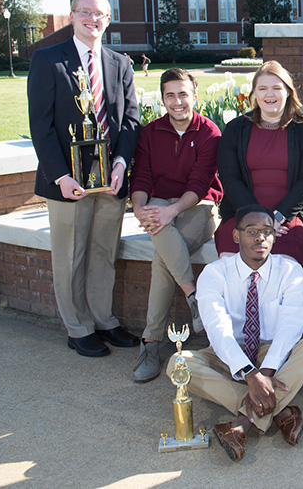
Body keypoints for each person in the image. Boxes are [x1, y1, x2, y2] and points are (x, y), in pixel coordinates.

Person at [27, 0, 140, 357]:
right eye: (86, 12)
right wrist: (60, 175)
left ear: (108, 20)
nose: (93, 19)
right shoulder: (48, 61)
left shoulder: (119, 63)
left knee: (103, 252)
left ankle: (104, 320)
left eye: (101, 15)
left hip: (111, 178)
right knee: (71, 255)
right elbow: (40, 126)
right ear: (73, 15)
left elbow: (131, 121)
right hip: (68, 180)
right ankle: (78, 327)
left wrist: (122, 163)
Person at [167, 204, 303, 462]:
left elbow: (290, 328)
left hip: (272, 351)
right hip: (228, 352)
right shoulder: (215, 273)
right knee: (178, 364)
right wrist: (250, 374)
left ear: (275, 235)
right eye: (251, 231)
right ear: (236, 236)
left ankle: (243, 422)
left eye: (267, 231)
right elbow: (218, 330)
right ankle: (280, 412)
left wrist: (265, 373)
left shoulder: (290, 271)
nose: (260, 237)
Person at [130, 68, 224, 382]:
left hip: (198, 207)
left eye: (183, 94)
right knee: (164, 251)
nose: (177, 101)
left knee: (162, 258)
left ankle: (151, 342)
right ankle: (193, 296)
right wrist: (140, 206)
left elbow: (199, 184)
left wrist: (169, 212)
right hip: (159, 206)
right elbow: (141, 176)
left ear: (194, 96)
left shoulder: (209, 132)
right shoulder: (151, 132)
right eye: (170, 95)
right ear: (163, 98)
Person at [214, 61, 303, 268]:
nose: (270, 94)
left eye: (277, 88)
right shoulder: (235, 129)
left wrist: (277, 217)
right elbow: (230, 178)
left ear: (288, 92)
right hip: (244, 211)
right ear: (254, 94)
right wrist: (257, 219)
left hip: (292, 214)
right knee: (231, 263)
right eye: (263, 88)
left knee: (284, 266)